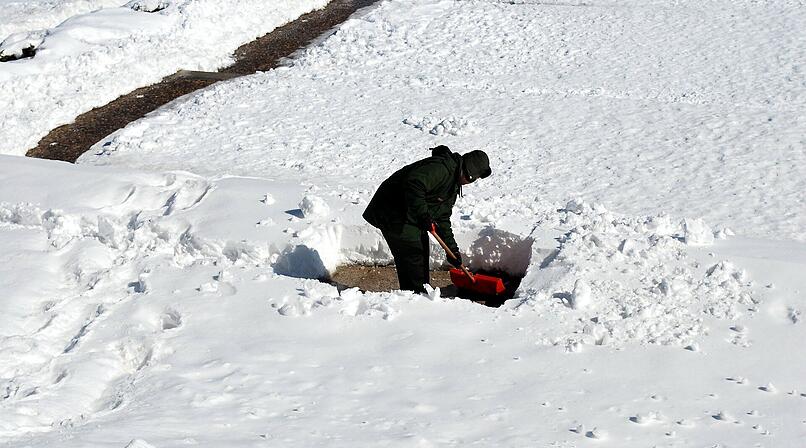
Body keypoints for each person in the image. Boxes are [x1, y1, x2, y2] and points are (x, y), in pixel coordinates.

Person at [363, 145, 491, 293]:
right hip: (392, 211)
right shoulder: (442, 169)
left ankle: (420, 292)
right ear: (464, 167)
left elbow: (442, 218)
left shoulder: (453, 182)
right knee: (412, 254)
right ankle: (415, 297)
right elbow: (414, 183)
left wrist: (453, 251)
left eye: (470, 180)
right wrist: (423, 215)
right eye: (467, 177)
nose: (466, 181)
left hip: (409, 213)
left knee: (421, 250)